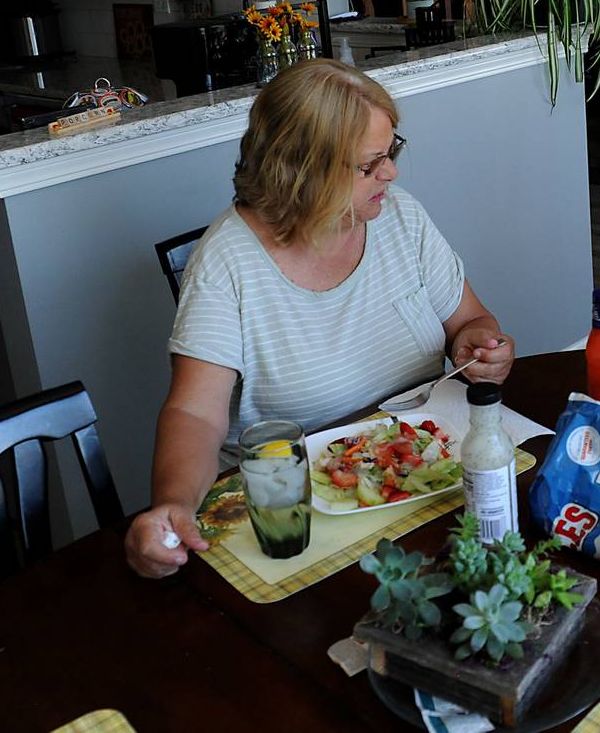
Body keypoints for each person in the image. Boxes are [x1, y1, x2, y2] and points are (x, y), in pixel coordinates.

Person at [126, 59, 513, 578]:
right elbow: (196, 414)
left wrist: (480, 346)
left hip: (419, 483)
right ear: (301, 171)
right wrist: (172, 503)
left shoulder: (401, 217)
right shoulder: (227, 262)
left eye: (391, 151)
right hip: (295, 515)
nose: (391, 173)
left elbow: (469, 319)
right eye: (368, 164)